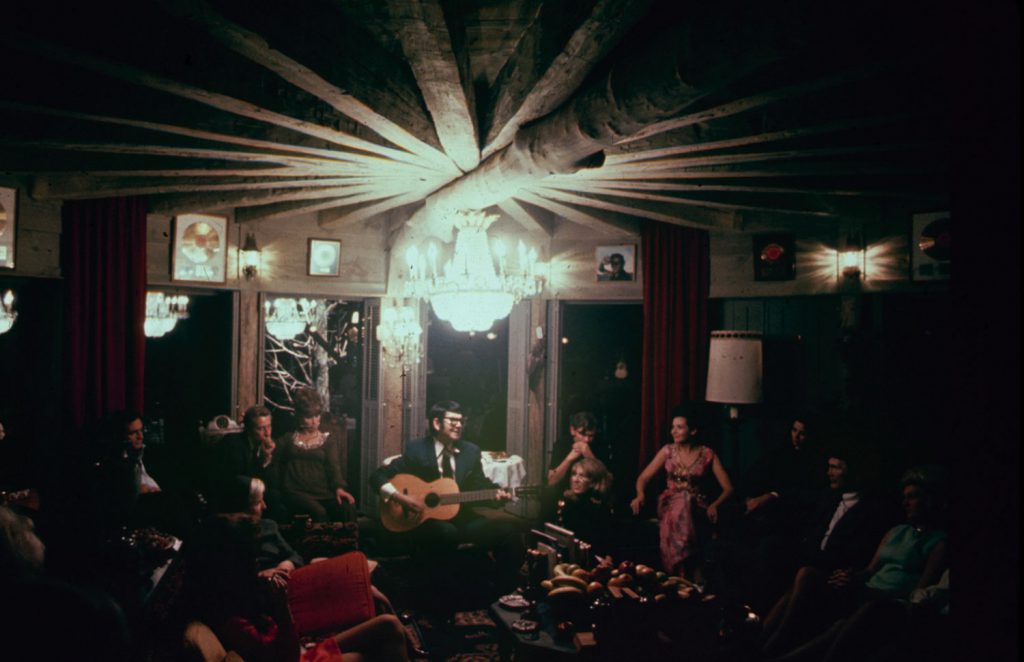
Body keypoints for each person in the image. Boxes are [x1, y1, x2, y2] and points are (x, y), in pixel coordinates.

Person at [760, 465, 949, 659]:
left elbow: (919, 593)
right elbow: (869, 571)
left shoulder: (938, 541)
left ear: (929, 500)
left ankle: (772, 649)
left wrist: (871, 592)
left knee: (847, 622)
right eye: (904, 497)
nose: (905, 503)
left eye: (913, 497)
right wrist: (849, 577)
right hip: (863, 590)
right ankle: (761, 640)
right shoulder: (896, 531)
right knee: (805, 575)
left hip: (887, 602)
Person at [182, 514, 409, 662]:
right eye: (250, 557)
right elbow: (284, 656)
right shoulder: (229, 618)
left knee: (386, 631)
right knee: (382, 636)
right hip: (296, 658)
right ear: (232, 563)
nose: (255, 562)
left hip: (299, 648)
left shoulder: (234, 590)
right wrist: (282, 608)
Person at [368, 401, 524, 614]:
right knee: (445, 535)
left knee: (509, 533)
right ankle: (443, 605)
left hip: (462, 517)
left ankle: (497, 597)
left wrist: (497, 495)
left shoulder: (470, 451)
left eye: (461, 421)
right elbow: (377, 477)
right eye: (453, 420)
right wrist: (401, 499)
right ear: (436, 423)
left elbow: (480, 486)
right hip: (425, 519)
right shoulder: (417, 450)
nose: (459, 425)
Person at [630, 406, 733, 581]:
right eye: (673, 427)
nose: (673, 432)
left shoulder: (707, 454)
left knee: (687, 501)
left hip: (697, 506)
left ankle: (680, 577)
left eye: (679, 427)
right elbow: (643, 478)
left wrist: (715, 505)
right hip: (670, 504)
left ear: (693, 430)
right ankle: (694, 574)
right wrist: (640, 495)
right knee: (682, 500)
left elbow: (729, 488)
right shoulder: (668, 451)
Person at [275, 388, 355, 523]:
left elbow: (334, 468)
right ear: (299, 416)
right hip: (295, 492)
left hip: (322, 492)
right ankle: (322, 544)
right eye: (309, 417)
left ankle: (347, 543)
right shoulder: (288, 438)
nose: (314, 421)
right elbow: (271, 455)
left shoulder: (327, 440)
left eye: (317, 415)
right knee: (319, 513)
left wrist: (339, 489)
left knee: (347, 508)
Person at [740, 415, 827, 537]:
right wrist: (749, 497)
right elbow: (754, 474)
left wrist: (771, 496)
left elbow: (802, 491)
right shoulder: (780, 451)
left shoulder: (815, 460)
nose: (795, 436)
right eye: (794, 430)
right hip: (761, 506)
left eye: (802, 433)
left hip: (789, 511)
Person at [218, 406, 286, 521]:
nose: (267, 433)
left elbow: (274, 483)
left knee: (276, 499)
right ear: (249, 429)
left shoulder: (275, 446)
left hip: (262, 492)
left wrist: (266, 460)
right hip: (237, 492)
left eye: (269, 426)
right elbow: (230, 477)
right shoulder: (232, 442)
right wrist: (255, 489)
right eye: (261, 428)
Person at [553, 456, 615, 555]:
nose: (576, 480)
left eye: (582, 476)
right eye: (574, 474)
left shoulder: (601, 508)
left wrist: (608, 557)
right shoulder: (567, 502)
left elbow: (606, 540)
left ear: (593, 481)